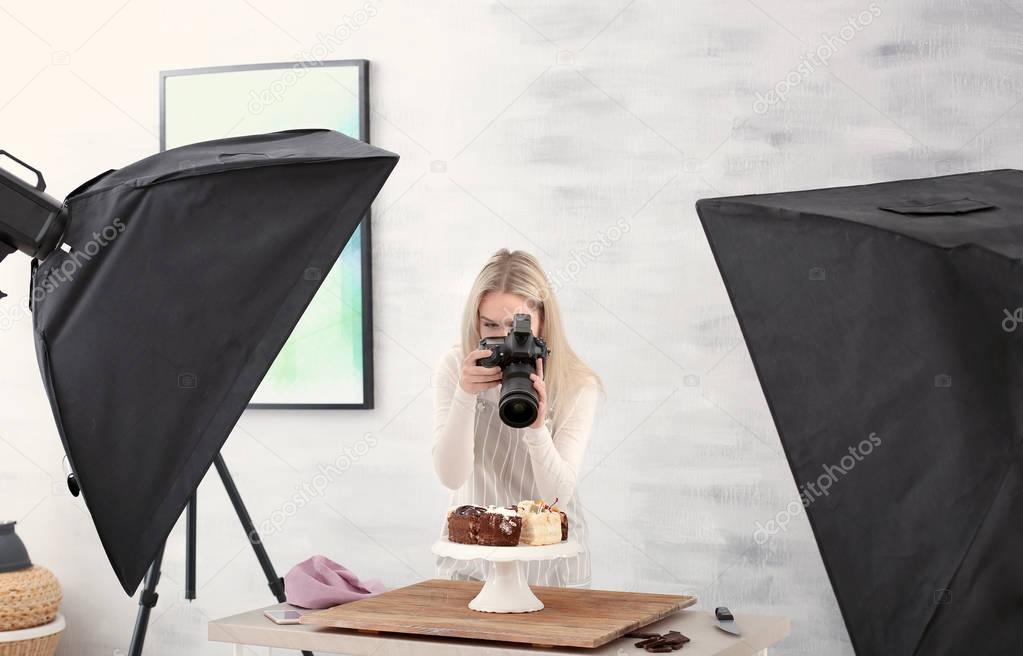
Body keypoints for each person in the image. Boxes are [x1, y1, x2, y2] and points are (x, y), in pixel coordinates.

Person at [432, 248, 604, 588]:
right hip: (471, 558)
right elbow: (451, 476)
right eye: (490, 325)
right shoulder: (457, 365)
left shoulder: (576, 382)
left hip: (551, 565)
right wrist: (465, 395)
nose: (505, 337)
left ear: (541, 320)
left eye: (516, 327)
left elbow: (556, 497)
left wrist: (538, 428)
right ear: (474, 319)